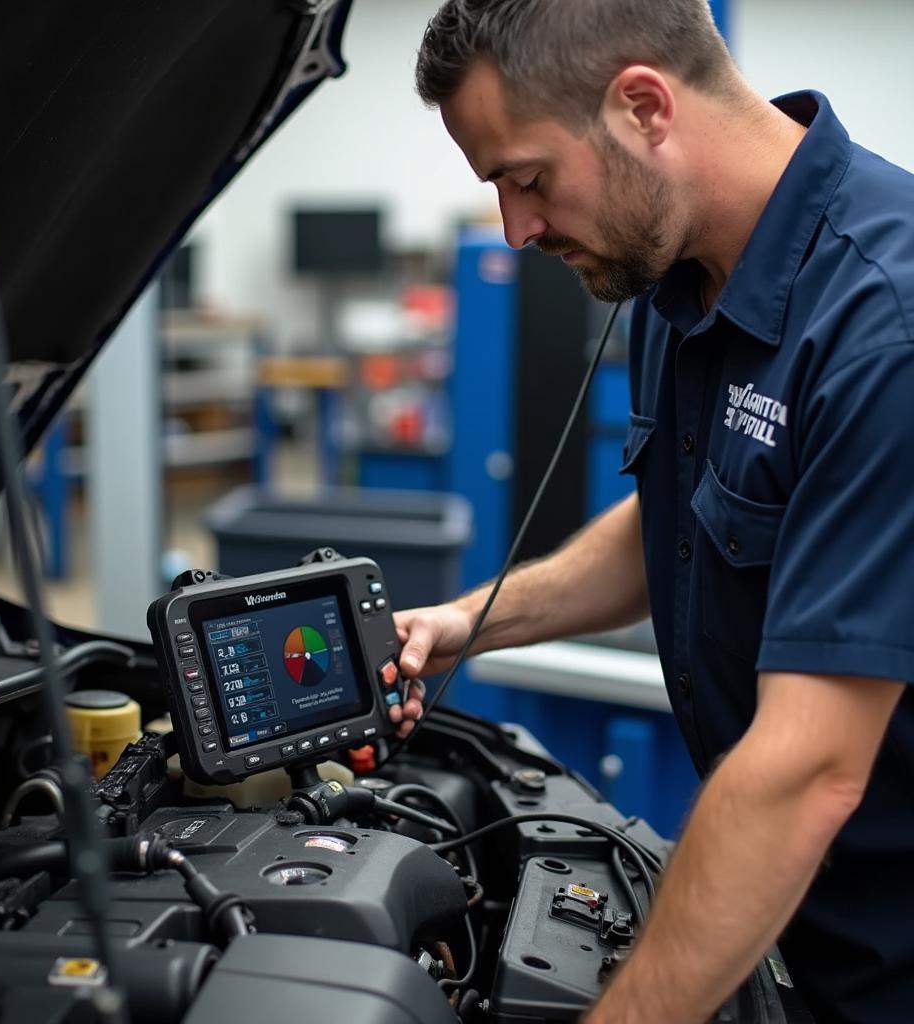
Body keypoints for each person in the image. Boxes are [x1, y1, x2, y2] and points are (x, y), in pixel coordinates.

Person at [386, 2, 914, 1021]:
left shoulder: (882, 326)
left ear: (642, 106)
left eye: (527, 179)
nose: (517, 230)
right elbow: (674, 521)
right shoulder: (677, 282)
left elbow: (808, 770)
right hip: (785, 931)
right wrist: (466, 622)